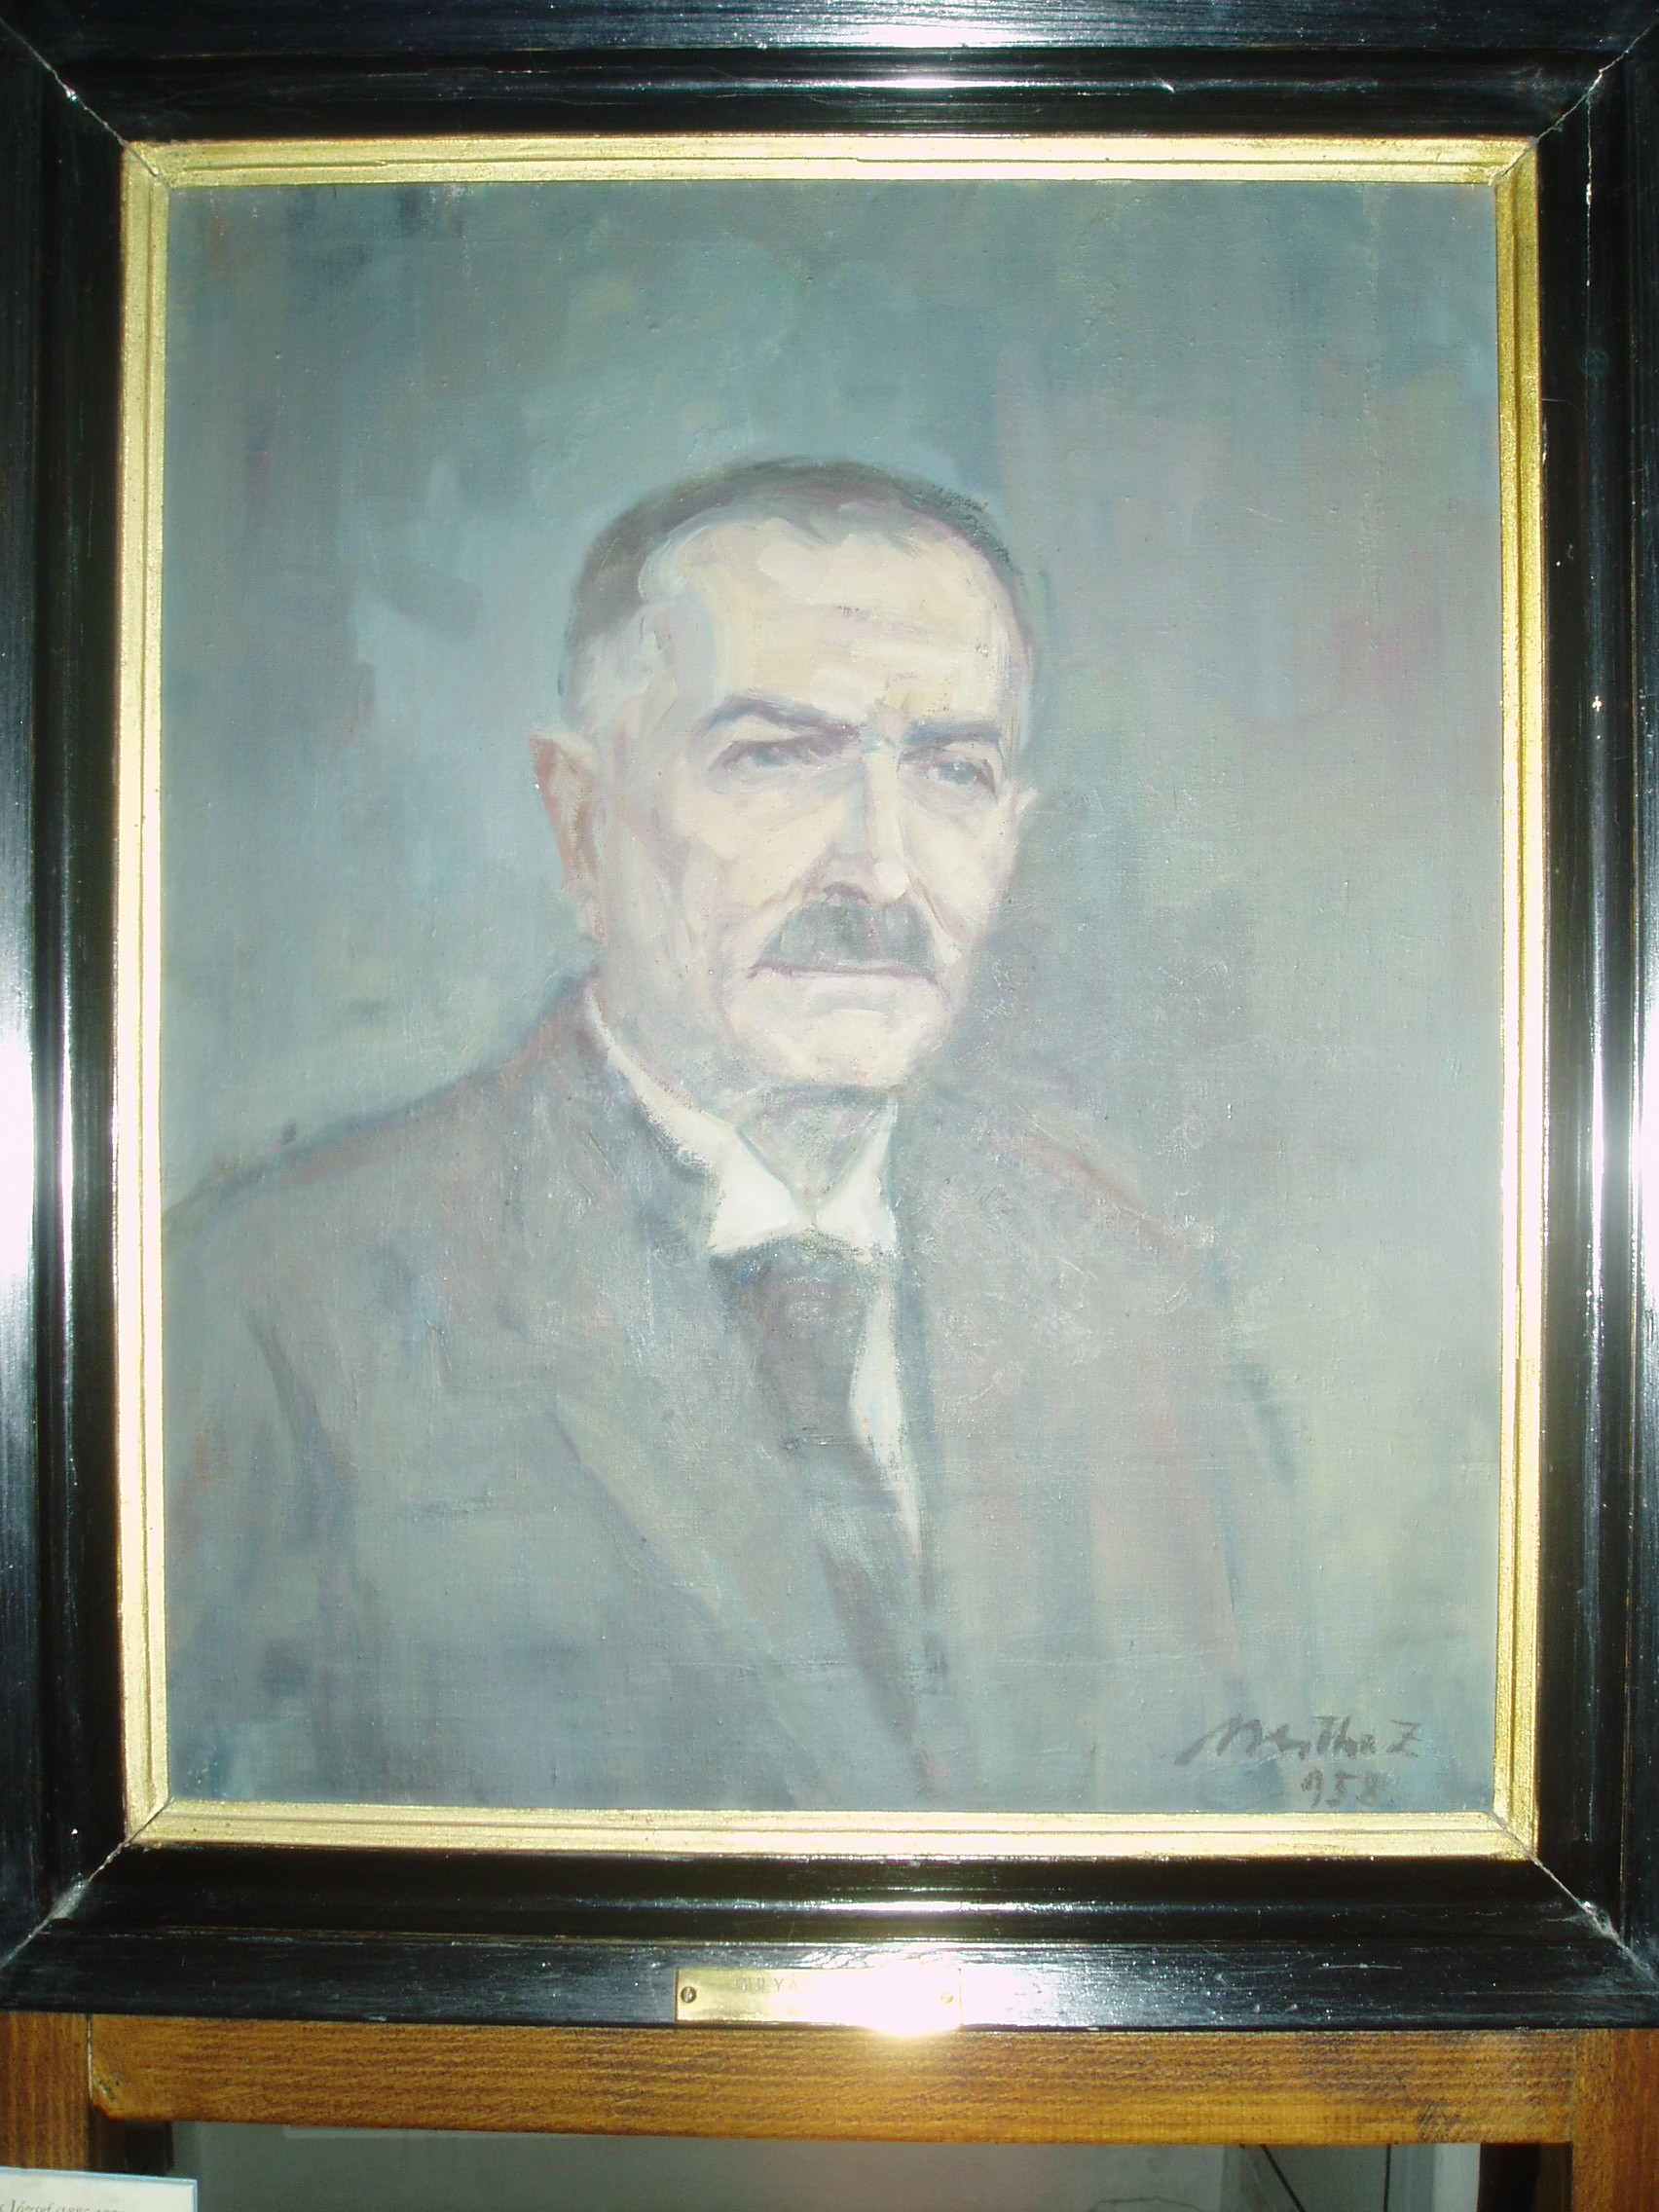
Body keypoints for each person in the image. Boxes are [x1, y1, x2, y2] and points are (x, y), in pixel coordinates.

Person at [166, 459, 1299, 1815]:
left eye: (953, 770)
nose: (882, 870)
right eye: (775, 757)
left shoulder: (1139, 1315)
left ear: (1012, 833)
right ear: (580, 820)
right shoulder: (278, 1310)